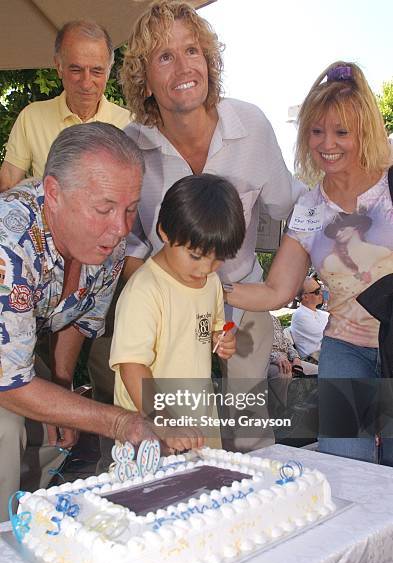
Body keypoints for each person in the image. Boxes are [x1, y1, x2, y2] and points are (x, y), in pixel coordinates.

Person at [89, 0, 305, 452]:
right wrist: (159, 297)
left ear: (209, 60)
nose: (183, 66)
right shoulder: (132, 146)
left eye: (192, 50)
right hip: (167, 298)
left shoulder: (251, 124)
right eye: (164, 57)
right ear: (144, 79)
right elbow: (126, 241)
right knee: (168, 418)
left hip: (239, 295)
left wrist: (273, 291)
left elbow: (294, 209)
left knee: (247, 425)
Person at [0, 122, 200, 522]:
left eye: (130, 209)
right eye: (105, 209)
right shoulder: (8, 247)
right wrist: (122, 422)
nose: (121, 228)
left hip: (14, 350)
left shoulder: (108, 241)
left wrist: (62, 386)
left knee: (53, 432)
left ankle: (30, 520)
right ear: (54, 193)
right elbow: (9, 384)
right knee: (6, 430)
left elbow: (78, 321)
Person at [225, 61, 393, 464]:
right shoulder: (310, 207)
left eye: (341, 131)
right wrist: (206, 287)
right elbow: (277, 290)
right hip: (345, 348)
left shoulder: (388, 185)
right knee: (348, 467)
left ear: (364, 132)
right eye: (316, 131)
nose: (326, 143)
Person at [110, 174, 244, 450]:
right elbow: (132, 366)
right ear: (164, 232)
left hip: (199, 423)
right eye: (196, 256)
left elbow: (209, 331)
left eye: (218, 259)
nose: (206, 268)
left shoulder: (211, 283)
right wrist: (164, 421)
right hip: (151, 430)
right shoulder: (145, 290)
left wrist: (222, 339)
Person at [0, 20, 130, 192]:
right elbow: (7, 183)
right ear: (59, 67)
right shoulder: (32, 117)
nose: (86, 83)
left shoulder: (131, 125)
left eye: (97, 71)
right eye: (76, 70)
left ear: (108, 70)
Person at [290, 276, 329, 362]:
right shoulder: (300, 315)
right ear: (305, 297)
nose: (321, 293)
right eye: (316, 292)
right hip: (313, 359)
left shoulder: (320, 313)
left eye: (320, 289)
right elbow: (328, 334)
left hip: (325, 355)